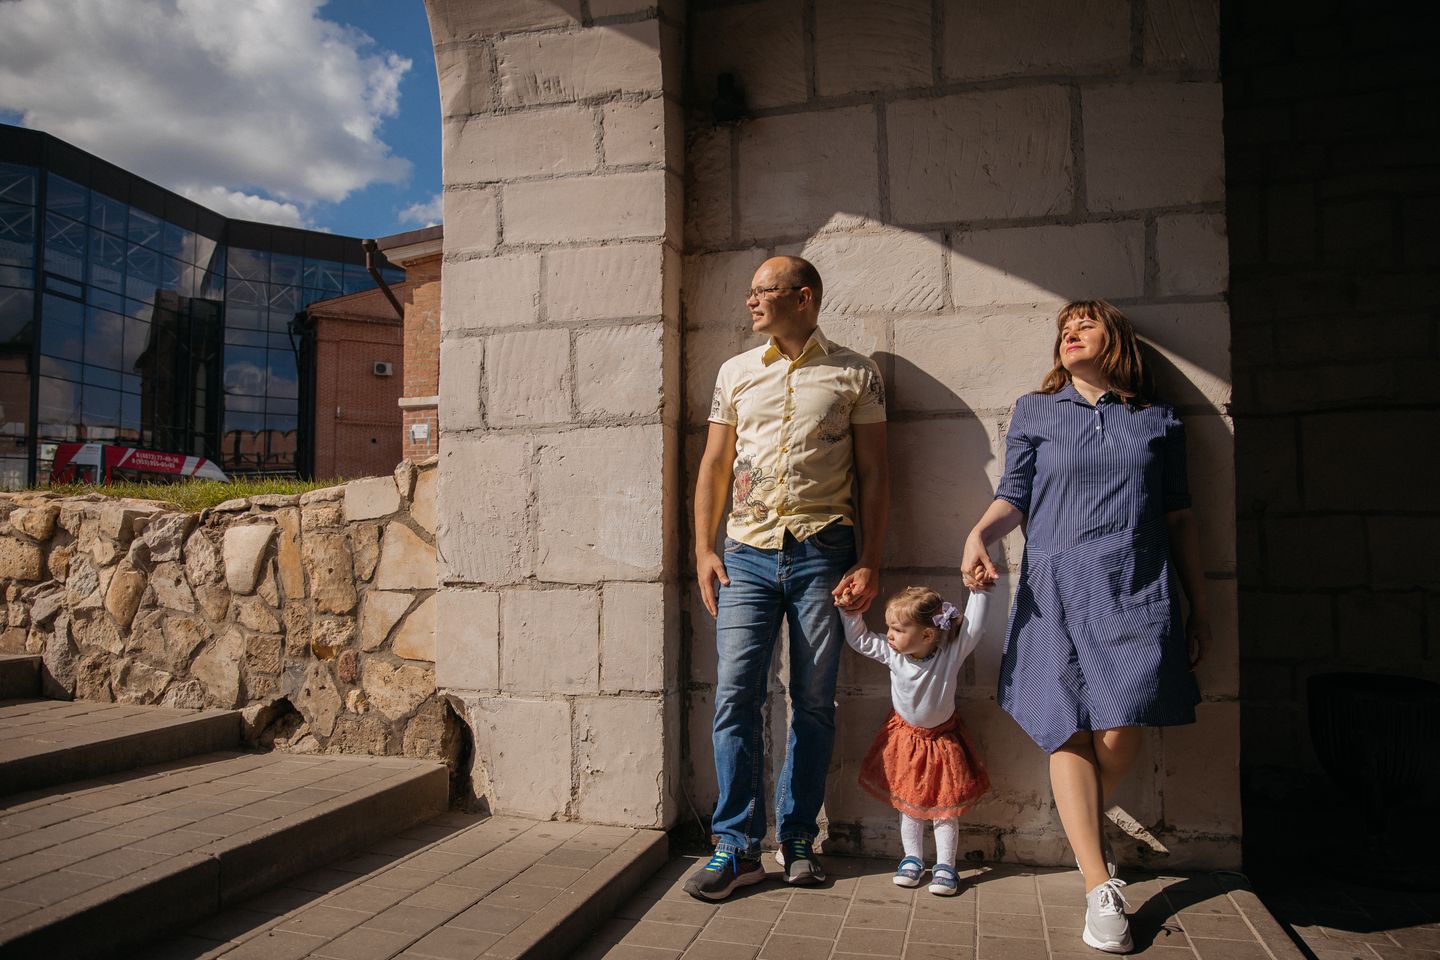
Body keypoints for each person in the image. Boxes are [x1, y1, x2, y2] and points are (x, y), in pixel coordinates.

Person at [960, 300, 1207, 954]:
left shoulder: (1158, 420)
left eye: (1085, 324)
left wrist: (1202, 607)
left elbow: (1181, 517)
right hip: (1057, 589)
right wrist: (979, 535)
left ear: (1116, 338)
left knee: (1121, 727)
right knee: (1067, 727)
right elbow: (1014, 495)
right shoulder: (1036, 411)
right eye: (1064, 328)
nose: (1070, 333)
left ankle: (1080, 826)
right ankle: (1100, 886)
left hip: (1138, 584)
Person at [685, 255, 889, 901]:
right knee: (734, 697)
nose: (751, 301)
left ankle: (798, 838)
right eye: (749, 291)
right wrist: (703, 550)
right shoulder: (736, 372)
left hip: (824, 553)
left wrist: (870, 558)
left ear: (803, 297)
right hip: (745, 553)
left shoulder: (857, 372)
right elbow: (715, 464)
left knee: (814, 700)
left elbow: (876, 474)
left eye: (763, 291)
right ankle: (735, 846)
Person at [839, 585, 991, 896]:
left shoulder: (949, 654)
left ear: (927, 635)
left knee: (945, 808)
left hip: (942, 741)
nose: (889, 635)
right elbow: (860, 640)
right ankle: (912, 859)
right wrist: (849, 612)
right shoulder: (893, 654)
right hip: (906, 740)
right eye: (889, 628)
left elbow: (974, 628)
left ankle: (946, 865)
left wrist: (981, 590)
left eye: (897, 629)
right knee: (910, 805)